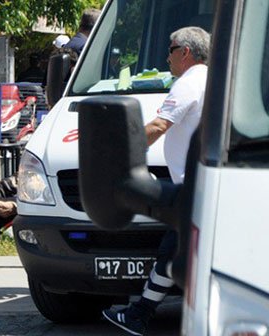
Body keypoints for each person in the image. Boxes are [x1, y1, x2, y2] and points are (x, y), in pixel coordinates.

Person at [102, 26, 211, 336]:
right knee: (176, 251)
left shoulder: (189, 83)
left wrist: (119, 151)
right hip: (202, 183)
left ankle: (140, 314)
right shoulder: (214, 79)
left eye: (171, 48)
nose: (167, 56)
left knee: (173, 251)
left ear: (186, 52)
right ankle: (141, 313)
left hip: (195, 186)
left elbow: (160, 124)